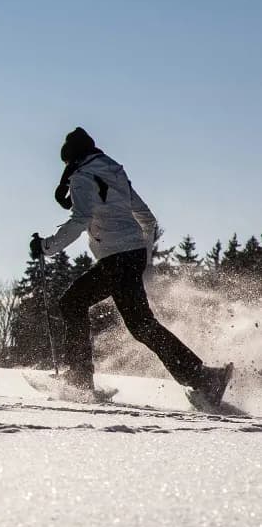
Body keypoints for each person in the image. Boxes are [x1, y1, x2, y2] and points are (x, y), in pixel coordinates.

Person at [31, 127, 231, 405]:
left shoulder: (81, 177)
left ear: (72, 158)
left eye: (65, 162)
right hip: (130, 255)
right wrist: (143, 257)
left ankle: (79, 378)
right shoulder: (113, 172)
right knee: (141, 325)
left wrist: (46, 247)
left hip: (117, 258)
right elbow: (147, 218)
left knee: (72, 303)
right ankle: (203, 377)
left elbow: (80, 220)